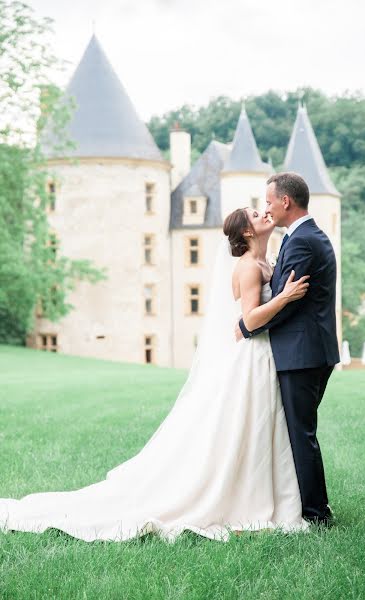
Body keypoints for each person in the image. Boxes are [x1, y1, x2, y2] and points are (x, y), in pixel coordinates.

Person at [0, 206, 310, 543]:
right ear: (247, 232)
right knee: (245, 427)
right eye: (255, 214)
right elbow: (247, 322)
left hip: (260, 356)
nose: (263, 213)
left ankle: (257, 493)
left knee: (256, 428)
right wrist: (284, 297)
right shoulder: (249, 266)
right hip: (250, 357)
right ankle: (238, 499)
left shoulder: (265, 262)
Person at [237, 172, 340, 525]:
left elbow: (289, 304)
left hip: (301, 354)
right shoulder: (308, 236)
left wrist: (245, 327)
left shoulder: (301, 242)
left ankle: (315, 514)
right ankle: (306, 505)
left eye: (268, 202)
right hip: (310, 350)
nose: (266, 208)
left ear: (285, 202)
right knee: (299, 431)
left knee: (300, 433)